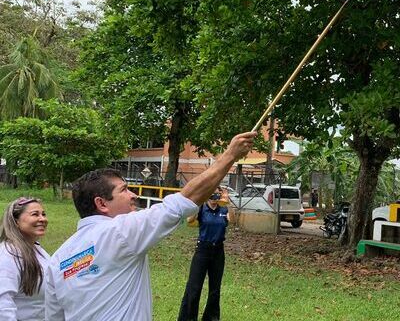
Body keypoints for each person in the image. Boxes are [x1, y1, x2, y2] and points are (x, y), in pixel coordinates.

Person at [44, 131, 256, 321]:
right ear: (101, 203)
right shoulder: (120, 231)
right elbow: (185, 201)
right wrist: (230, 155)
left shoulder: (57, 261)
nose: (133, 195)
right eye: (124, 190)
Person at [178, 186, 230, 321]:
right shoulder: (202, 209)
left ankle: (211, 317)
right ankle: (188, 317)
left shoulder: (223, 209)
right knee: (194, 287)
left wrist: (227, 201)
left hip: (218, 250)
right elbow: (190, 221)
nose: (215, 198)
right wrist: (200, 201)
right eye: (212, 194)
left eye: (217, 195)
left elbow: (232, 220)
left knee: (215, 288)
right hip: (202, 250)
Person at [0, 198, 49, 321]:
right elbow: (3, 303)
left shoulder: (37, 249)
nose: (42, 219)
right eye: (35, 214)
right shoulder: (8, 253)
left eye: (43, 214)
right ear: (16, 221)